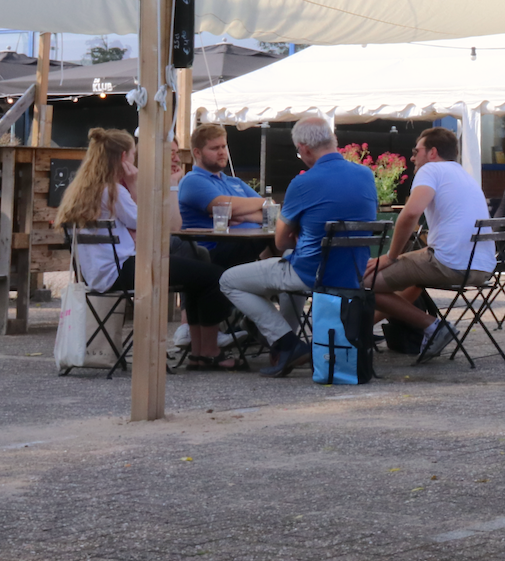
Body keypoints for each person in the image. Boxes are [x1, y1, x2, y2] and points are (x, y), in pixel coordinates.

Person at [57, 128, 239, 370]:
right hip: (123, 270)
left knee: (199, 272)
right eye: (133, 155)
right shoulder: (114, 191)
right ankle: (207, 351)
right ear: (124, 157)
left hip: (96, 275)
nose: (134, 160)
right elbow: (149, 226)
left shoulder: (80, 190)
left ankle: (200, 352)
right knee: (213, 275)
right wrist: (134, 186)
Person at [220, 115, 378, 378]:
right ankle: (286, 344)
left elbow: (280, 242)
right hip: (353, 273)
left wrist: (298, 233)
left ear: (304, 148)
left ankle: (285, 342)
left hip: (313, 273)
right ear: (333, 140)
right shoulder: (365, 174)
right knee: (293, 260)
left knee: (229, 280)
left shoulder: (303, 183)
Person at [366, 128, 491, 358]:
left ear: (432, 152)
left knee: (365, 281)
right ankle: (362, 329)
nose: (413, 157)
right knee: (413, 280)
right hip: (482, 268)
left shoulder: (431, 169)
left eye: (416, 151)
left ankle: (433, 327)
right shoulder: (464, 174)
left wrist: (391, 256)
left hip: (449, 264)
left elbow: (411, 213)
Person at [179, 123, 270, 269]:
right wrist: (260, 203)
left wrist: (246, 216)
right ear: (197, 153)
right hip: (213, 253)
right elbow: (225, 207)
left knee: (282, 235)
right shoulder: (193, 181)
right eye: (215, 148)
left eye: (224, 146)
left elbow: (271, 211)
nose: (222, 152)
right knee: (277, 239)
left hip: (246, 246)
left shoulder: (235, 182)